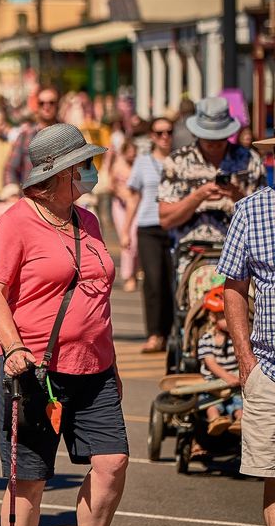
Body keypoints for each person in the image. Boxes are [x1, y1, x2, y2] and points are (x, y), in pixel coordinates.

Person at [0, 123, 128, 526]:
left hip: (96, 368)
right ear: (56, 175)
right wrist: (13, 347)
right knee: (29, 477)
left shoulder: (88, 220)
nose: (91, 171)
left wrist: (114, 363)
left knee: (112, 463)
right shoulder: (16, 222)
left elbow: (96, 294)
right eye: (82, 165)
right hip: (36, 372)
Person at [217, 152, 275, 526]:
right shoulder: (251, 211)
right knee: (274, 478)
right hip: (269, 368)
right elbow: (233, 288)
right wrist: (246, 361)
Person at [158, 96, 265, 281]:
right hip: (193, 257)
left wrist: (237, 196)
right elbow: (166, 219)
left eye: (220, 137)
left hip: (241, 257)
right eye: (208, 138)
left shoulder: (249, 160)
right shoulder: (177, 162)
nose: (214, 143)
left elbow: (264, 218)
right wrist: (197, 196)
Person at [125, 118, 175, 353]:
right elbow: (133, 197)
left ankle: (173, 332)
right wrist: (125, 230)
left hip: (175, 226)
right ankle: (155, 334)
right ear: (152, 136)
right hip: (148, 227)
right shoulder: (143, 162)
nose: (165, 136)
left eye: (169, 132)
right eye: (160, 132)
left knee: (173, 282)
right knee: (154, 281)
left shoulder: (181, 160)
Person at [197, 290, 242, 437]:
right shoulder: (206, 339)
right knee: (210, 403)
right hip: (213, 383)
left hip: (234, 382)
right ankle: (215, 420)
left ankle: (240, 421)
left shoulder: (236, 338)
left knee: (238, 402)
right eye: (224, 316)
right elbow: (211, 363)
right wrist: (226, 377)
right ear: (213, 317)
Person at [5, 87, 61, 188]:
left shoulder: (68, 135)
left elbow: (81, 170)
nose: (46, 106)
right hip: (31, 199)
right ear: (37, 106)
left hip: (60, 199)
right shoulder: (25, 135)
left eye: (51, 102)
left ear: (58, 105)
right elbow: (11, 168)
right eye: (41, 103)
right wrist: (11, 187)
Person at [110, 139, 139, 292]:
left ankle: (135, 270)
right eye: (129, 152)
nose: (131, 156)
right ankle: (129, 276)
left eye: (134, 153)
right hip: (120, 206)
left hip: (134, 207)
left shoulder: (138, 167)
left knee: (134, 239)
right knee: (126, 240)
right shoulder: (118, 166)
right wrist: (119, 192)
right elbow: (111, 184)